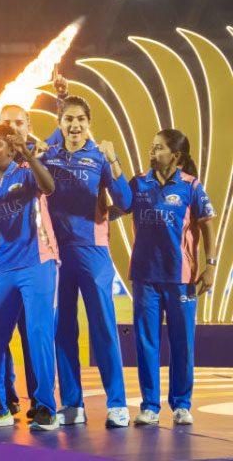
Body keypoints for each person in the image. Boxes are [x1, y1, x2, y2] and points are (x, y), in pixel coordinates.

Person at [40, 96, 132, 428]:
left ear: (88, 123)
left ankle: (117, 403)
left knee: (104, 328)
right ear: (60, 123)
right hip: (56, 255)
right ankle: (72, 404)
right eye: (68, 119)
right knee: (63, 329)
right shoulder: (47, 156)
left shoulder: (99, 157)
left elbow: (125, 200)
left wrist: (114, 159)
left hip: (93, 252)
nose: (75, 125)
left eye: (80, 119)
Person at [123, 129, 216, 427]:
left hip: (181, 278)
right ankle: (150, 406)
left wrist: (211, 264)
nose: (153, 151)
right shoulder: (138, 183)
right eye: (152, 146)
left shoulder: (191, 187)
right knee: (146, 341)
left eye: (159, 148)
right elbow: (117, 205)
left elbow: (207, 224)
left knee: (182, 343)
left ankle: (181, 405)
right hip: (144, 277)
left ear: (175, 156)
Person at [0, 124, 60, 431]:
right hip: (0, 266)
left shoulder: (25, 172)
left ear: (11, 149)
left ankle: (47, 407)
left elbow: (48, 186)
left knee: (38, 334)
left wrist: (29, 156)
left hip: (37, 262)